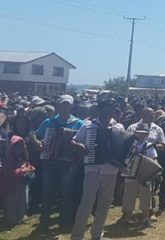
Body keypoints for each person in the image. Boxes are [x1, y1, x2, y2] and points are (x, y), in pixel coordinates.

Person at [70, 100, 125, 240]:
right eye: (107, 109)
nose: (109, 112)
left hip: (111, 170)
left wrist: (122, 161)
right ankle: (77, 235)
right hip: (92, 168)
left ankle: (97, 234)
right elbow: (74, 140)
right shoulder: (88, 126)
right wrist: (81, 146)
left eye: (112, 109)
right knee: (86, 203)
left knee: (105, 204)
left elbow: (123, 147)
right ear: (100, 110)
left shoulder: (118, 127)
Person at [33, 94, 84, 233]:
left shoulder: (79, 123)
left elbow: (83, 142)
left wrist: (78, 146)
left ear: (72, 106)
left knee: (67, 193)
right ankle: (44, 222)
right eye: (62, 104)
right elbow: (35, 136)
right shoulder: (49, 122)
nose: (65, 106)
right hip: (50, 162)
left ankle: (64, 222)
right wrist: (38, 143)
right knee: (47, 192)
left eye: (67, 104)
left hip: (68, 164)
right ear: (58, 105)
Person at [121, 105, 165, 227]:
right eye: (139, 133)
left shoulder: (155, 134)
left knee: (146, 192)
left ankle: (146, 216)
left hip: (146, 169)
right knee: (129, 192)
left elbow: (159, 151)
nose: (142, 135)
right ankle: (127, 216)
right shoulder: (131, 130)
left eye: (144, 133)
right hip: (131, 168)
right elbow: (124, 148)